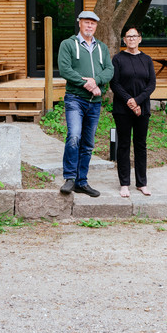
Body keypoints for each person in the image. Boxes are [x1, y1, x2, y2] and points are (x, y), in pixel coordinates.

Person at [57, 10, 114, 198]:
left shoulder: (102, 48)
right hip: (75, 99)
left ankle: (82, 182)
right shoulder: (68, 44)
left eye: (93, 23)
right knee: (74, 136)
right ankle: (70, 179)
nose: (90, 26)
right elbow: (65, 69)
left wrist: (95, 81)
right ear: (79, 23)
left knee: (88, 144)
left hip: (95, 103)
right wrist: (87, 84)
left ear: (96, 26)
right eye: (86, 22)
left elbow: (109, 70)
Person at [110, 26, 156, 198]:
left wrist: (137, 101)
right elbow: (115, 83)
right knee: (123, 145)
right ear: (124, 40)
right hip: (122, 109)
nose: (131, 39)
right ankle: (124, 184)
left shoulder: (147, 59)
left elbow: (151, 84)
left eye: (134, 36)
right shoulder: (118, 59)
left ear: (140, 39)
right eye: (128, 36)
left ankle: (142, 183)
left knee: (140, 145)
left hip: (142, 109)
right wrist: (129, 101)